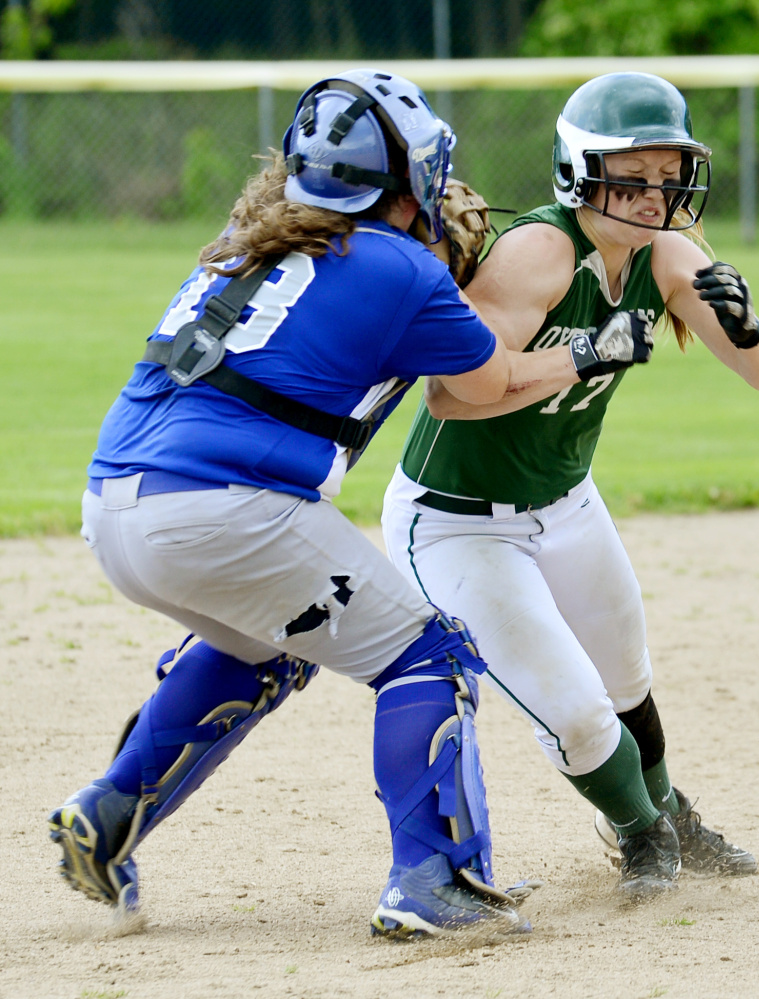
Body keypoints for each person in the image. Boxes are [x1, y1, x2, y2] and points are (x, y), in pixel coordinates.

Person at [46, 68, 601, 937]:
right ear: (408, 174)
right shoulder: (405, 266)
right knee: (432, 655)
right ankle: (434, 881)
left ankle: (111, 812)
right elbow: (492, 379)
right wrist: (595, 349)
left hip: (114, 503)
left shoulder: (255, 233)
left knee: (270, 648)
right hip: (222, 506)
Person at [381, 72, 759, 902]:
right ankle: (642, 834)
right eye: (631, 175)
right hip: (459, 521)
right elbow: (449, 396)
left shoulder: (670, 250)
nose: (655, 194)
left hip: (566, 503)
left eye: (669, 175)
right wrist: (582, 353)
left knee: (626, 677)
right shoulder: (541, 250)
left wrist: (751, 327)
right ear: (581, 170)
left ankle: (668, 810)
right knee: (574, 712)